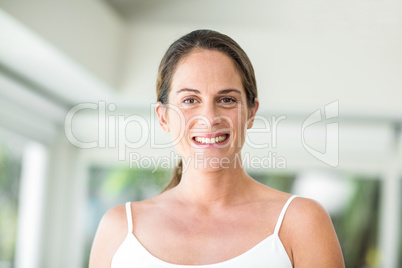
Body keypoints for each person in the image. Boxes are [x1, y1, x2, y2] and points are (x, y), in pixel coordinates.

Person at [89, 29, 344, 268]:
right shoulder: (119, 229)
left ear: (251, 112)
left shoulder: (301, 222)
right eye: (190, 100)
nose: (209, 118)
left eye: (227, 100)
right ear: (163, 117)